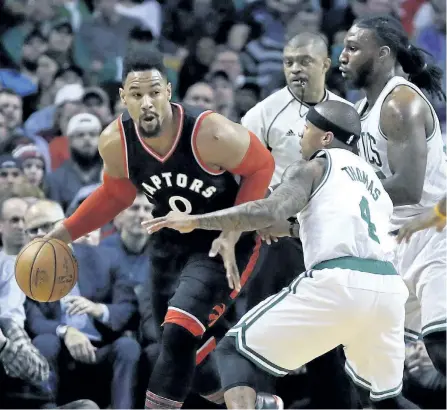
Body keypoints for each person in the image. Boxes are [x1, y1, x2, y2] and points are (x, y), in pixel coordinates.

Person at [43, 47, 275, 409]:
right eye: (137, 94)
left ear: (168, 90)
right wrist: (65, 231)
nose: (147, 102)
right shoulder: (115, 142)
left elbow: (261, 167)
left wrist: (234, 229)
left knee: (181, 330)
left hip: (223, 242)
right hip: (170, 243)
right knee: (173, 345)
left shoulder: (208, 131)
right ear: (123, 98)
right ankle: (253, 405)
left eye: (154, 92)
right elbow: (115, 195)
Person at [144, 100, 414, 409]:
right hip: (388, 292)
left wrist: (197, 221)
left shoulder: (314, 166)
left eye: (307, 129)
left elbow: (268, 209)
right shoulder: (373, 184)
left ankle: (264, 405)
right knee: (387, 400)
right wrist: (287, 230)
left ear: (326, 138)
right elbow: (339, 230)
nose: (301, 136)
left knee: (233, 352)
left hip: (340, 283)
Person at [240, 31, 359, 408]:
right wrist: (260, 219)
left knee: (331, 346)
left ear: (326, 64)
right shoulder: (263, 112)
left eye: (305, 61)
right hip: (277, 241)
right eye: (289, 62)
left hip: (328, 243)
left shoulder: (345, 113)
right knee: (265, 340)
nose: (295, 69)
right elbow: (238, 175)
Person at [339, 15, 447, 375]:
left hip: (435, 234)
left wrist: (339, 197)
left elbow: (407, 187)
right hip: (395, 245)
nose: (343, 56)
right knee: (370, 369)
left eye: (353, 48)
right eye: (343, 47)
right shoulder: (358, 112)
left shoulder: (400, 103)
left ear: (383, 54)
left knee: (440, 348)